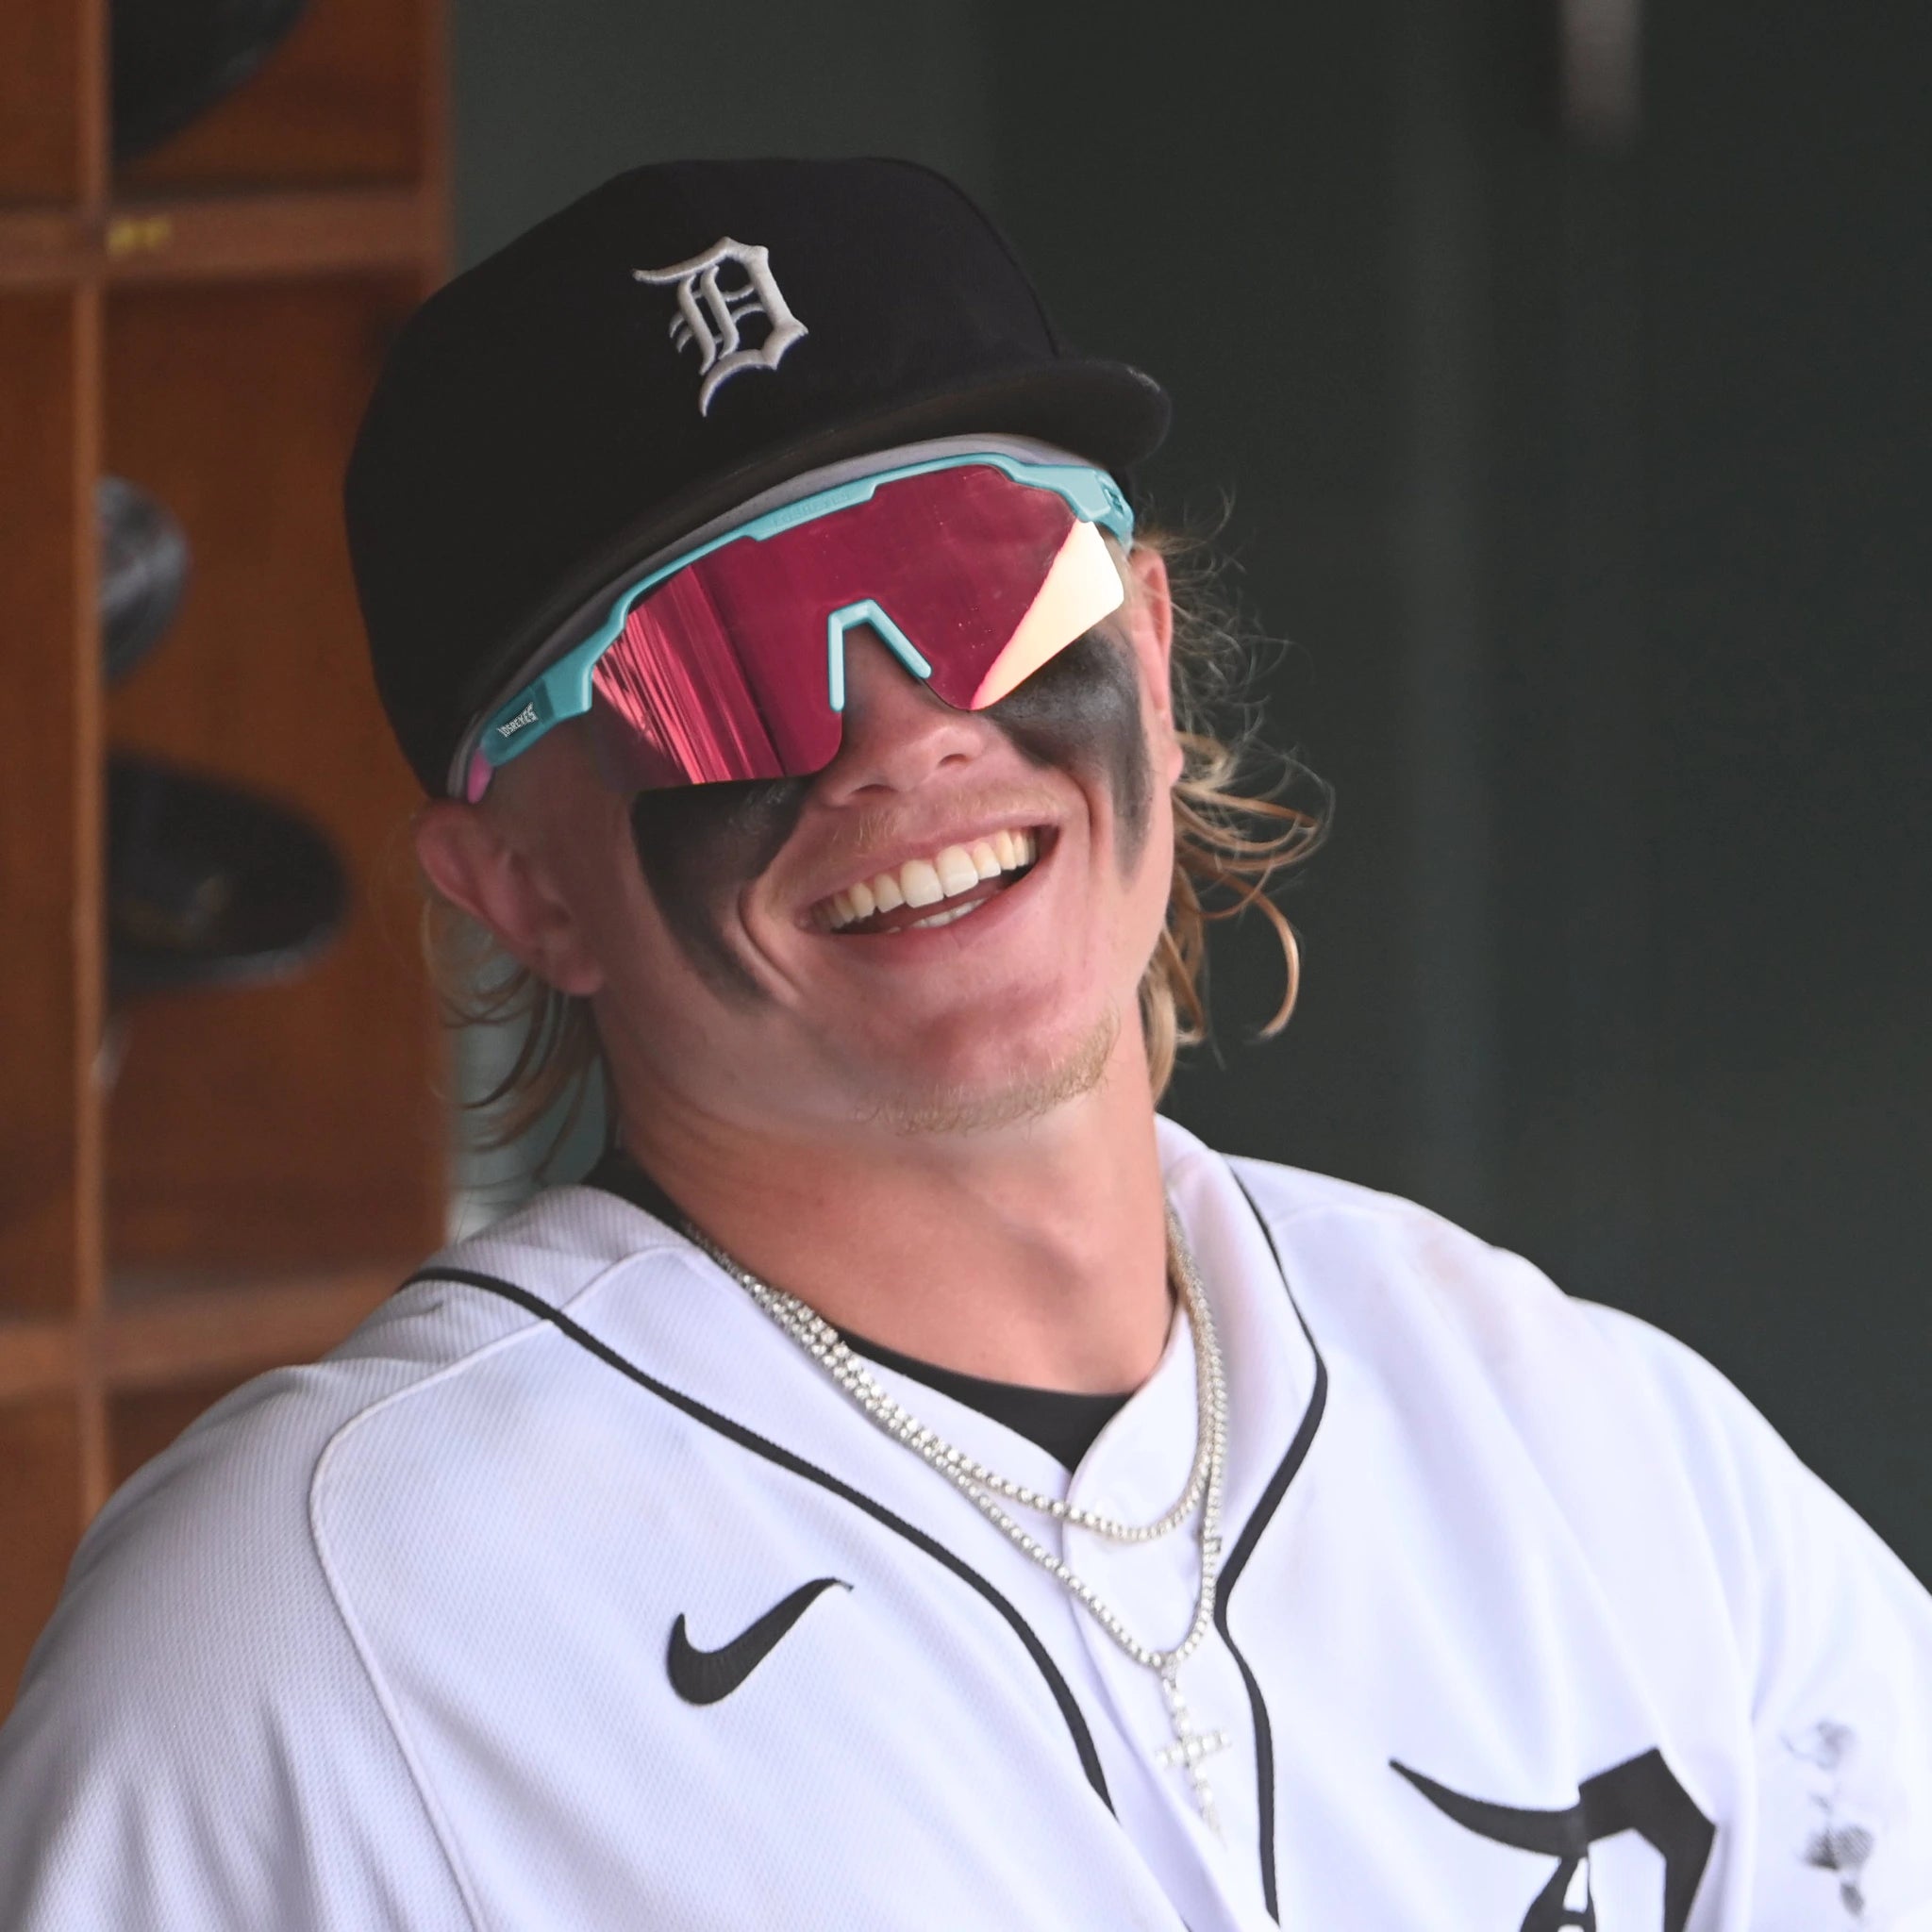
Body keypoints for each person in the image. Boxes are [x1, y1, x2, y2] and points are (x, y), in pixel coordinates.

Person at [1, 158, 1927, 1932]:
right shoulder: (313, 1633)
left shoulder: (1587, 1450)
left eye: (973, 581)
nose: (907, 730)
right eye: (723, 662)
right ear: (522, 885)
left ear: (1148, 656)